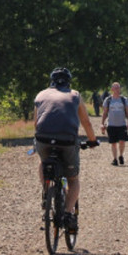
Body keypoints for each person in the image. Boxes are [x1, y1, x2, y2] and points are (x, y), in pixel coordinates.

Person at [34, 67, 99, 231]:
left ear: (51, 81)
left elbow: (36, 123)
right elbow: (86, 122)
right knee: (73, 179)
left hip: (43, 138)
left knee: (43, 162)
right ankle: (68, 214)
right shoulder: (75, 95)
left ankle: (46, 191)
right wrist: (92, 140)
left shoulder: (40, 95)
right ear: (69, 82)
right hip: (67, 140)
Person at [101, 82, 128, 166]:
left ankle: (121, 155)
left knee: (122, 141)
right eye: (115, 88)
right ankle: (115, 159)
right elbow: (105, 112)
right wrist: (102, 124)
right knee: (113, 143)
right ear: (112, 89)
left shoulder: (124, 100)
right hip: (111, 124)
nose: (117, 89)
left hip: (122, 124)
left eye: (118, 88)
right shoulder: (108, 100)